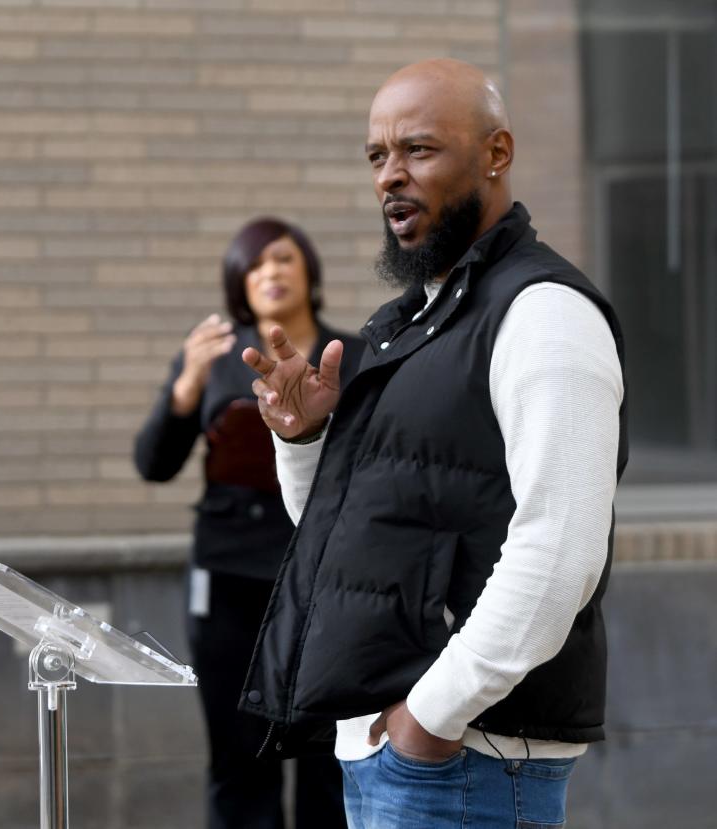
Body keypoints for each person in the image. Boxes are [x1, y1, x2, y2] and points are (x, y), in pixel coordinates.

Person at [238, 58, 628, 828]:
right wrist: (306, 439)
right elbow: (346, 538)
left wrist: (431, 716)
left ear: (496, 153)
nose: (391, 175)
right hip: (399, 752)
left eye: (418, 149)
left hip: (465, 760)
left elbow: (562, 550)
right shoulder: (405, 326)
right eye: (378, 156)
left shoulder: (544, 314)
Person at [134, 217, 360, 829]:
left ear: (309, 271)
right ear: (239, 283)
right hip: (228, 572)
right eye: (256, 264)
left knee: (329, 757)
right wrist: (185, 388)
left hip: (324, 575)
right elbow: (152, 463)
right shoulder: (216, 358)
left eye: (284, 259)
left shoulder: (352, 353)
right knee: (239, 755)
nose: (272, 273)